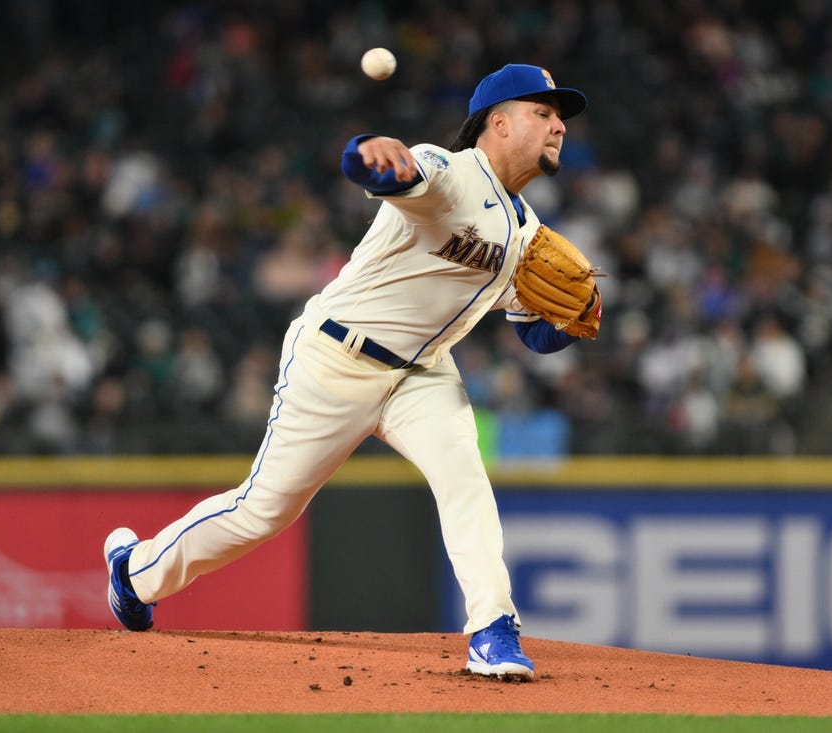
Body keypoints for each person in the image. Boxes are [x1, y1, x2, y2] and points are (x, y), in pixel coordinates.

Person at [103, 64, 595, 681]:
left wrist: (570, 324)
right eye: (542, 113)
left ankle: (492, 630)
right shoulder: (450, 173)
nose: (557, 126)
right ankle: (136, 572)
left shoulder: (525, 229)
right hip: (336, 359)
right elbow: (385, 170)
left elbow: (532, 330)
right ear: (497, 122)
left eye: (560, 118)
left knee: (465, 477)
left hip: (421, 376)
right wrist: (369, 154)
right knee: (264, 512)